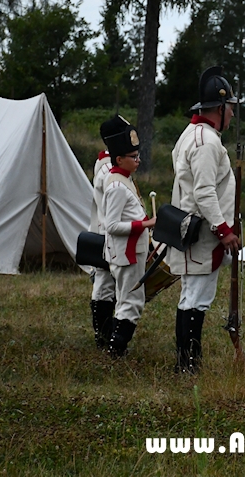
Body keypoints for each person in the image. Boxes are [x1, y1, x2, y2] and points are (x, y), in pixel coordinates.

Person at [169, 66, 241, 374]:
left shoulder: (192, 134)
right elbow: (204, 192)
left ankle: (187, 362)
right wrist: (224, 230)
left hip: (195, 228)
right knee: (196, 299)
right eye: (231, 109)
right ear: (220, 108)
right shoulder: (207, 142)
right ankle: (188, 365)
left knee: (190, 296)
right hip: (204, 232)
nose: (233, 116)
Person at [100, 115, 156, 357]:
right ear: (119, 159)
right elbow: (111, 225)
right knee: (130, 304)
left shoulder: (125, 180)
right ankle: (116, 351)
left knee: (127, 302)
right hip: (126, 253)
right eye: (133, 157)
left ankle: (115, 348)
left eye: (138, 155)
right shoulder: (116, 186)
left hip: (132, 251)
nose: (138, 160)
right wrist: (144, 224)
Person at [88, 144, 115, 349]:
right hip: (109, 236)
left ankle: (107, 336)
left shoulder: (108, 166)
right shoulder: (108, 170)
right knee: (103, 287)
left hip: (109, 235)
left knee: (106, 287)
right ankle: (104, 338)